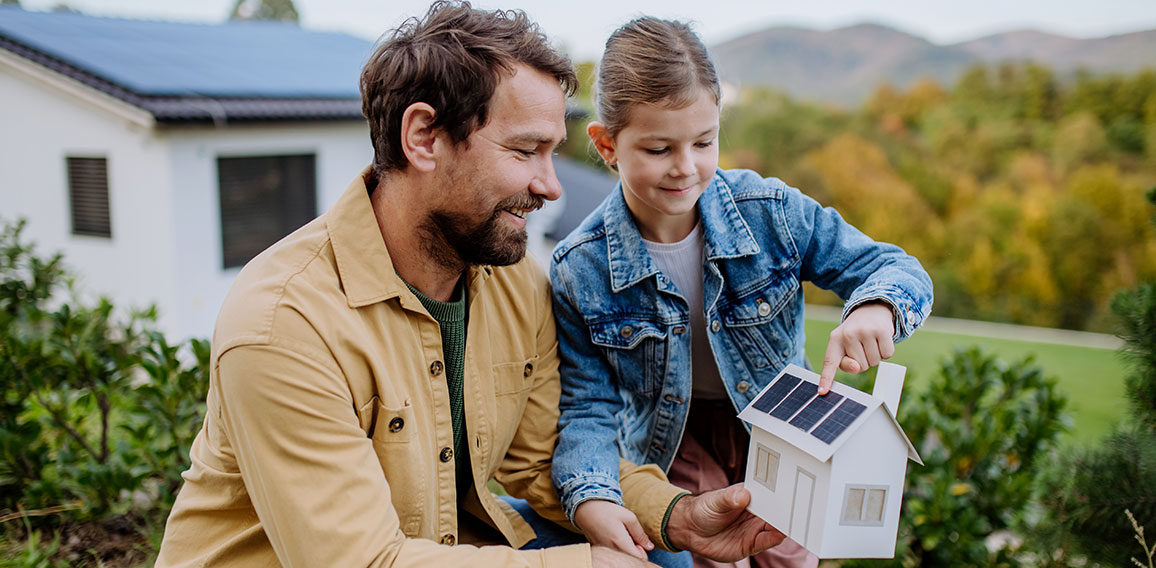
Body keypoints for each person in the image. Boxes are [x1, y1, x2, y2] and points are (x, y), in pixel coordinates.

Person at [155, 3, 786, 567]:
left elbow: (543, 459)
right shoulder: (284, 325)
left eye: (553, 152)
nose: (552, 186)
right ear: (424, 138)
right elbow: (361, 562)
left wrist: (676, 515)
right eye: (524, 152)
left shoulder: (513, 284)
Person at [548, 16, 934, 568]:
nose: (686, 167)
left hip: (785, 429)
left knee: (789, 556)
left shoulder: (770, 213)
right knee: (712, 553)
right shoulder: (579, 268)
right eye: (659, 149)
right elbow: (587, 405)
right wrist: (591, 493)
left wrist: (877, 305)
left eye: (704, 142)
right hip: (672, 445)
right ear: (607, 145)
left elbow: (894, 267)